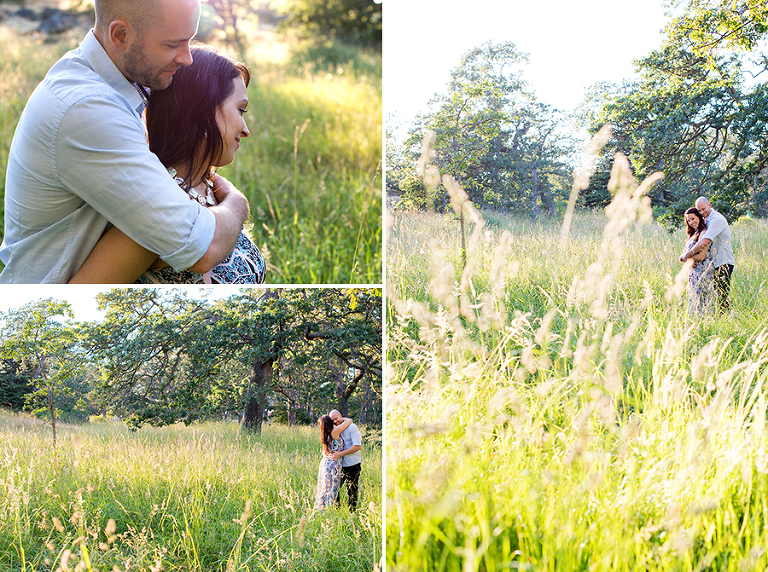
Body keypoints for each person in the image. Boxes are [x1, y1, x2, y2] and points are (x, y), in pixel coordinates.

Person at [0, 0, 249, 283]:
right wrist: (238, 203)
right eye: (171, 44)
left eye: (189, 42)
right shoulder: (87, 109)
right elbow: (202, 248)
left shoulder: (114, 80)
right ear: (120, 35)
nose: (186, 58)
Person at [70, 46, 266, 284]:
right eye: (240, 110)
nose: (246, 130)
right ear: (203, 110)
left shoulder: (212, 187)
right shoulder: (154, 211)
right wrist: (238, 204)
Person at [680, 196, 735, 313]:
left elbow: (704, 242)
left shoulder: (716, 219)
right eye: (699, 210)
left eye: (703, 209)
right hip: (712, 264)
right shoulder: (706, 220)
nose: (702, 212)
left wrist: (687, 255)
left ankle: (726, 322)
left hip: (723, 262)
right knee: (711, 298)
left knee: (722, 297)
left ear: (709, 205)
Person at [680, 207, 715, 314]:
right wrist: (686, 259)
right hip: (694, 272)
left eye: (693, 219)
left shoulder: (704, 233)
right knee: (695, 301)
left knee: (703, 301)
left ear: (699, 217)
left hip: (702, 272)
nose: (691, 222)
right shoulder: (694, 233)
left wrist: (686, 257)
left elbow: (701, 256)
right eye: (688, 220)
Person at [314, 414, 353, 509]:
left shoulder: (325, 434)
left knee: (325, 488)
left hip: (326, 463)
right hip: (333, 464)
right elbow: (350, 420)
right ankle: (327, 510)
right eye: (332, 420)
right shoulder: (334, 432)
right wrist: (339, 418)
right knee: (331, 489)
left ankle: (322, 508)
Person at [329, 409, 363, 511]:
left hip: (352, 464)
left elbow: (357, 446)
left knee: (352, 491)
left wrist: (340, 454)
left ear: (341, 416)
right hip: (339, 465)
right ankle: (337, 511)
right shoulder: (335, 428)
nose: (335, 421)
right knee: (334, 489)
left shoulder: (352, 427)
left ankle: (352, 513)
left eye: (336, 418)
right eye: (332, 420)